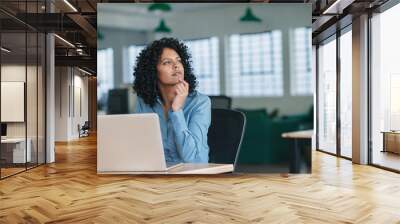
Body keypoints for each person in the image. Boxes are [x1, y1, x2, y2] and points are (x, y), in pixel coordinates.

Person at [133, 37, 211, 163]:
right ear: (152, 71)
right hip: (157, 173)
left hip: (192, 175)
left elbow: (192, 159)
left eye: (178, 60)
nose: (176, 66)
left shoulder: (200, 103)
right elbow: (137, 146)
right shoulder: (144, 102)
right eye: (166, 62)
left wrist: (177, 111)